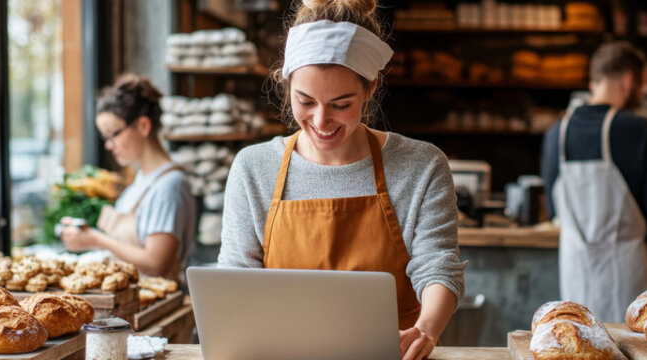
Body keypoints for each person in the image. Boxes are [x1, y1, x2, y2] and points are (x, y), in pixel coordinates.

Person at [217, 1, 466, 359]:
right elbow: (237, 280)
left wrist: (425, 330)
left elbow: (437, 264)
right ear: (286, 86)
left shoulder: (421, 165)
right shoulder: (253, 168)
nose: (321, 121)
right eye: (305, 101)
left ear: (371, 87)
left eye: (340, 104)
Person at [541, 42, 647, 322]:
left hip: (574, 275)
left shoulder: (555, 135)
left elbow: (554, 212)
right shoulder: (646, 133)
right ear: (630, 80)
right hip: (626, 278)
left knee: (580, 346)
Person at [61, 74, 196, 283]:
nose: (108, 145)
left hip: (156, 305)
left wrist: (96, 239)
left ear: (143, 126)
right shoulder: (142, 179)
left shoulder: (170, 185)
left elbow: (156, 262)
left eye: (113, 134)